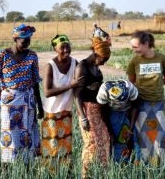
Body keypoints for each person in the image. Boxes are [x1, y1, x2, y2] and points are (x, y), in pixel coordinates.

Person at [0, 24, 43, 164]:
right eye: (24, 41)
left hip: (28, 101)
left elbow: (35, 81)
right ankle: (7, 166)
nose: (27, 43)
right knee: (9, 134)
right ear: (15, 39)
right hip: (9, 102)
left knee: (27, 133)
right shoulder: (2, 55)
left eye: (29, 40)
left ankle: (26, 166)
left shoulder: (32, 56)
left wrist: (40, 105)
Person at [126, 30, 165, 166]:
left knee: (160, 135)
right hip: (140, 103)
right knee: (142, 136)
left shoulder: (161, 58)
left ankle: (159, 164)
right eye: (132, 47)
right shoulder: (134, 61)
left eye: (136, 47)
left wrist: (156, 85)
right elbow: (131, 81)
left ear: (146, 44)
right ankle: (142, 164)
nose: (134, 50)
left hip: (158, 102)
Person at [41, 35, 84, 169]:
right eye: (62, 47)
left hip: (66, 112)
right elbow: (47, 92)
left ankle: (65, 173)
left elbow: (79, 86)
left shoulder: (74, 63)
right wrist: (70, 85)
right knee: (52, 147)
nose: (66, 50)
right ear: (55, 49)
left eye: (68, 46)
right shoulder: (50, 66)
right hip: (51, 113)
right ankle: (50, 173)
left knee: (66, 147)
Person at [74, 37, 111, 178]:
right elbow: (77, 94)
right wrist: (83, 118)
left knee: (105, 139)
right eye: (104, 58)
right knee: (91, 143)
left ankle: (102, 172)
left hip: (98, 109)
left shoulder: (96, 67)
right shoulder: (82, 67)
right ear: (96, 55)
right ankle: (85, 174)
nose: (104, 62)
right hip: (87, 110)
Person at [96, 79, 138, 163]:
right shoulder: (103, 91)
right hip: (111, 112)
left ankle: (128, 160)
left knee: (127, 138)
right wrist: (110, 132)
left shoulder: (130, 88)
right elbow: (103, 112)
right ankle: (116, 162)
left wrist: (131, 129)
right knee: (115, 138)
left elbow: (135, 107)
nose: (119, 105)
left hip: (127, 111)